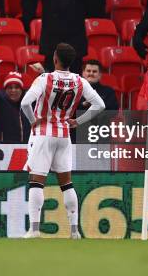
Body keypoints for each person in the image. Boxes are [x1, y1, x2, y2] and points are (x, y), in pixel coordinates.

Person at [20, 43, 105, 238]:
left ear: (55, 59)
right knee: (66, 183)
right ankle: (75, 232)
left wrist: (33, 122)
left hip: (43, 134)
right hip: (64, 135)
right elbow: (100, 105)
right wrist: (79, 121)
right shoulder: (79, 81)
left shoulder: (45, 78)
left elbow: (25, 103)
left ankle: (34, 230)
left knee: (36, 182)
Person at [0, 67, 31, 143]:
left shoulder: (28, 104)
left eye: (17, 87)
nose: (13, 90)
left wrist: (42, 73)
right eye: (10, 87)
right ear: (5, 90)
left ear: (22, 90)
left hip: (25, 149)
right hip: (2, 149)